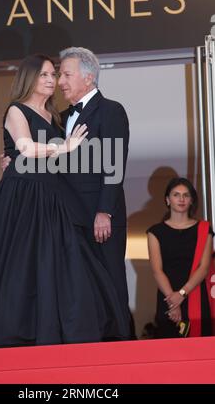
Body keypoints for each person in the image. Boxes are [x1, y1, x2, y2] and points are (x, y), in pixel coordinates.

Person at [0, 54, 130, 352]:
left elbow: (72, 162)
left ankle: (54, 332)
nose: (52, 81)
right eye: (45, 75)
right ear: (30, 79)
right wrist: (61, 146)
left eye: (54, 75)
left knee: (53, 266)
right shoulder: (16, 110)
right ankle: (12, 333)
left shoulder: (55, 116)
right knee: (16, 267)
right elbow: (24, 146)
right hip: (22, 199)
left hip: (50, 199)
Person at [58, 47, 131, 338]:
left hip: (101, 217)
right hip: (70, 218)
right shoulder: (61, 117)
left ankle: (123, 351)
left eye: (66, 74)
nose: (60, 81)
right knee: (81, 287)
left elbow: (114, 164)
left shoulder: (111, 110)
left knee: (111, 283)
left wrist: (105, 211)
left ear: (88, 78)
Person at [147, 177, 213, 338]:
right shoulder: (155, 232)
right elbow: (157, 270)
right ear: (168, 200)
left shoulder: (204, 229)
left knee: (200, 350)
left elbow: (204, 268)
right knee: (169, 351)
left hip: (195, 293)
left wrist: (182, 294)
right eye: (176, 195)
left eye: (186, 195)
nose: (181, 199)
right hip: (167, 298)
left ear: (191, 201)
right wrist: (173, 301)